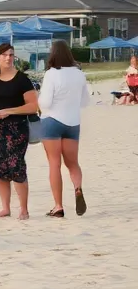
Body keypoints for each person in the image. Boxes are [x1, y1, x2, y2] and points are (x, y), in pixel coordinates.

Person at [0, 43, 40, 220]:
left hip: (17, 129)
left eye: (11, 55)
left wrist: (10, 111)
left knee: (16, 167)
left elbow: (33, 106)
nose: (8, 58)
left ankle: (23, 209)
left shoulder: (22, 79)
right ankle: (5, 208)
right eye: (5, 55)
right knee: (0, 169)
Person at [38, 40, 91, 218]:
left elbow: (45, 102)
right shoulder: (79, 74)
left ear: (52, 54)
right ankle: (77, 189)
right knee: (73, 163)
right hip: (73, 123)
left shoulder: (52, 74)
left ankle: (58, 206)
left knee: (54, 163)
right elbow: (85, 102)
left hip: (52, 121)